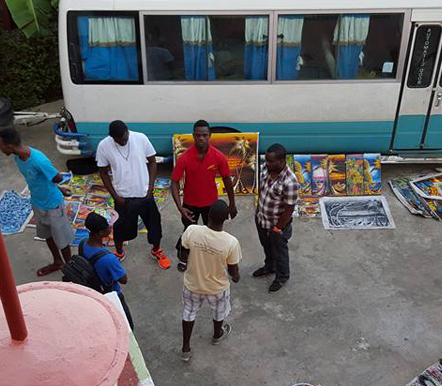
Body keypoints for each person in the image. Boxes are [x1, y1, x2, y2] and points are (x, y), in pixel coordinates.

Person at [0, 127, 73, 277]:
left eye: (1, 145)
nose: (0, 149)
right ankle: (57, 261)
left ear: (9, 146)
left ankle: (70, 268)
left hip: (53, 204)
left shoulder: (38, 160)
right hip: (37, 202)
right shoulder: (18, 158)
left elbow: (57, 177)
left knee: (62, 239)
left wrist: (58, 189)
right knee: (47, 235)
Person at [96, 120, 171, 269]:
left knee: (154, 224)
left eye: (125, 137)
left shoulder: (140, 138)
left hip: (144, 195)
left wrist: (150, 188)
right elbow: (103, 171)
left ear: (128, 132)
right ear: (112, 138)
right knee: (120, 227)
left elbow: (152, 162)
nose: (123, 141)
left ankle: (156, 250)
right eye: (119, 140)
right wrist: (115, 196)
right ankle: (119, 252)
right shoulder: (104, 146)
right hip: (122, 198)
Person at [179, 199, 241, 362]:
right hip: (217, 287)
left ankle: (186, 347)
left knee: (189, 312)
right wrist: (235, 277)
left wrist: (185, 262)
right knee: (219, 311)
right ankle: (217, 334)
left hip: (193, 284)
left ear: (209, 215)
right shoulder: (231, 242)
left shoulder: (192, 230)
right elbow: (233, 269)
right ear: (226, 218)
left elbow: (183, 251)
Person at [170, 120, 237, 272]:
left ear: (210, 136)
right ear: (193, 136)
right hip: (189, 205)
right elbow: (174, 182)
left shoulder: (218, 157)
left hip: (210, 204)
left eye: (204, 135)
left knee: (211, 233)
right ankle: (183, 257)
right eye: (198, 135)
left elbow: (227, 180)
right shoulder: (185, 158)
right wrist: (180, 208)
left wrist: (232, 204)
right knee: (188, 232)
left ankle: (208, 258)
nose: (201, 138)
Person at [252, 143, 299, 292]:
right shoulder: (267, 168)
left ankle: (282, 276)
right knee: (267, 247)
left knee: (280, 253)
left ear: (281, 161)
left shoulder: (290, 181)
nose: (267, 164)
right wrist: (258, 211)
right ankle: (269, 267)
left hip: (277, 225)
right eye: (266, 160)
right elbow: (262, 190)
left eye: (271, 161)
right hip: (262, 219)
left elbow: (289, 209)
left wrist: (278, 228)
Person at [80, 212, 133, 329]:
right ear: (101, 233)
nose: (110, 228)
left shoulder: (83, 243)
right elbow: (123, 280)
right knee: (127, 326)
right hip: (110, 294)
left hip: (93, 289)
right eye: (107, 227)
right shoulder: (109, 259)